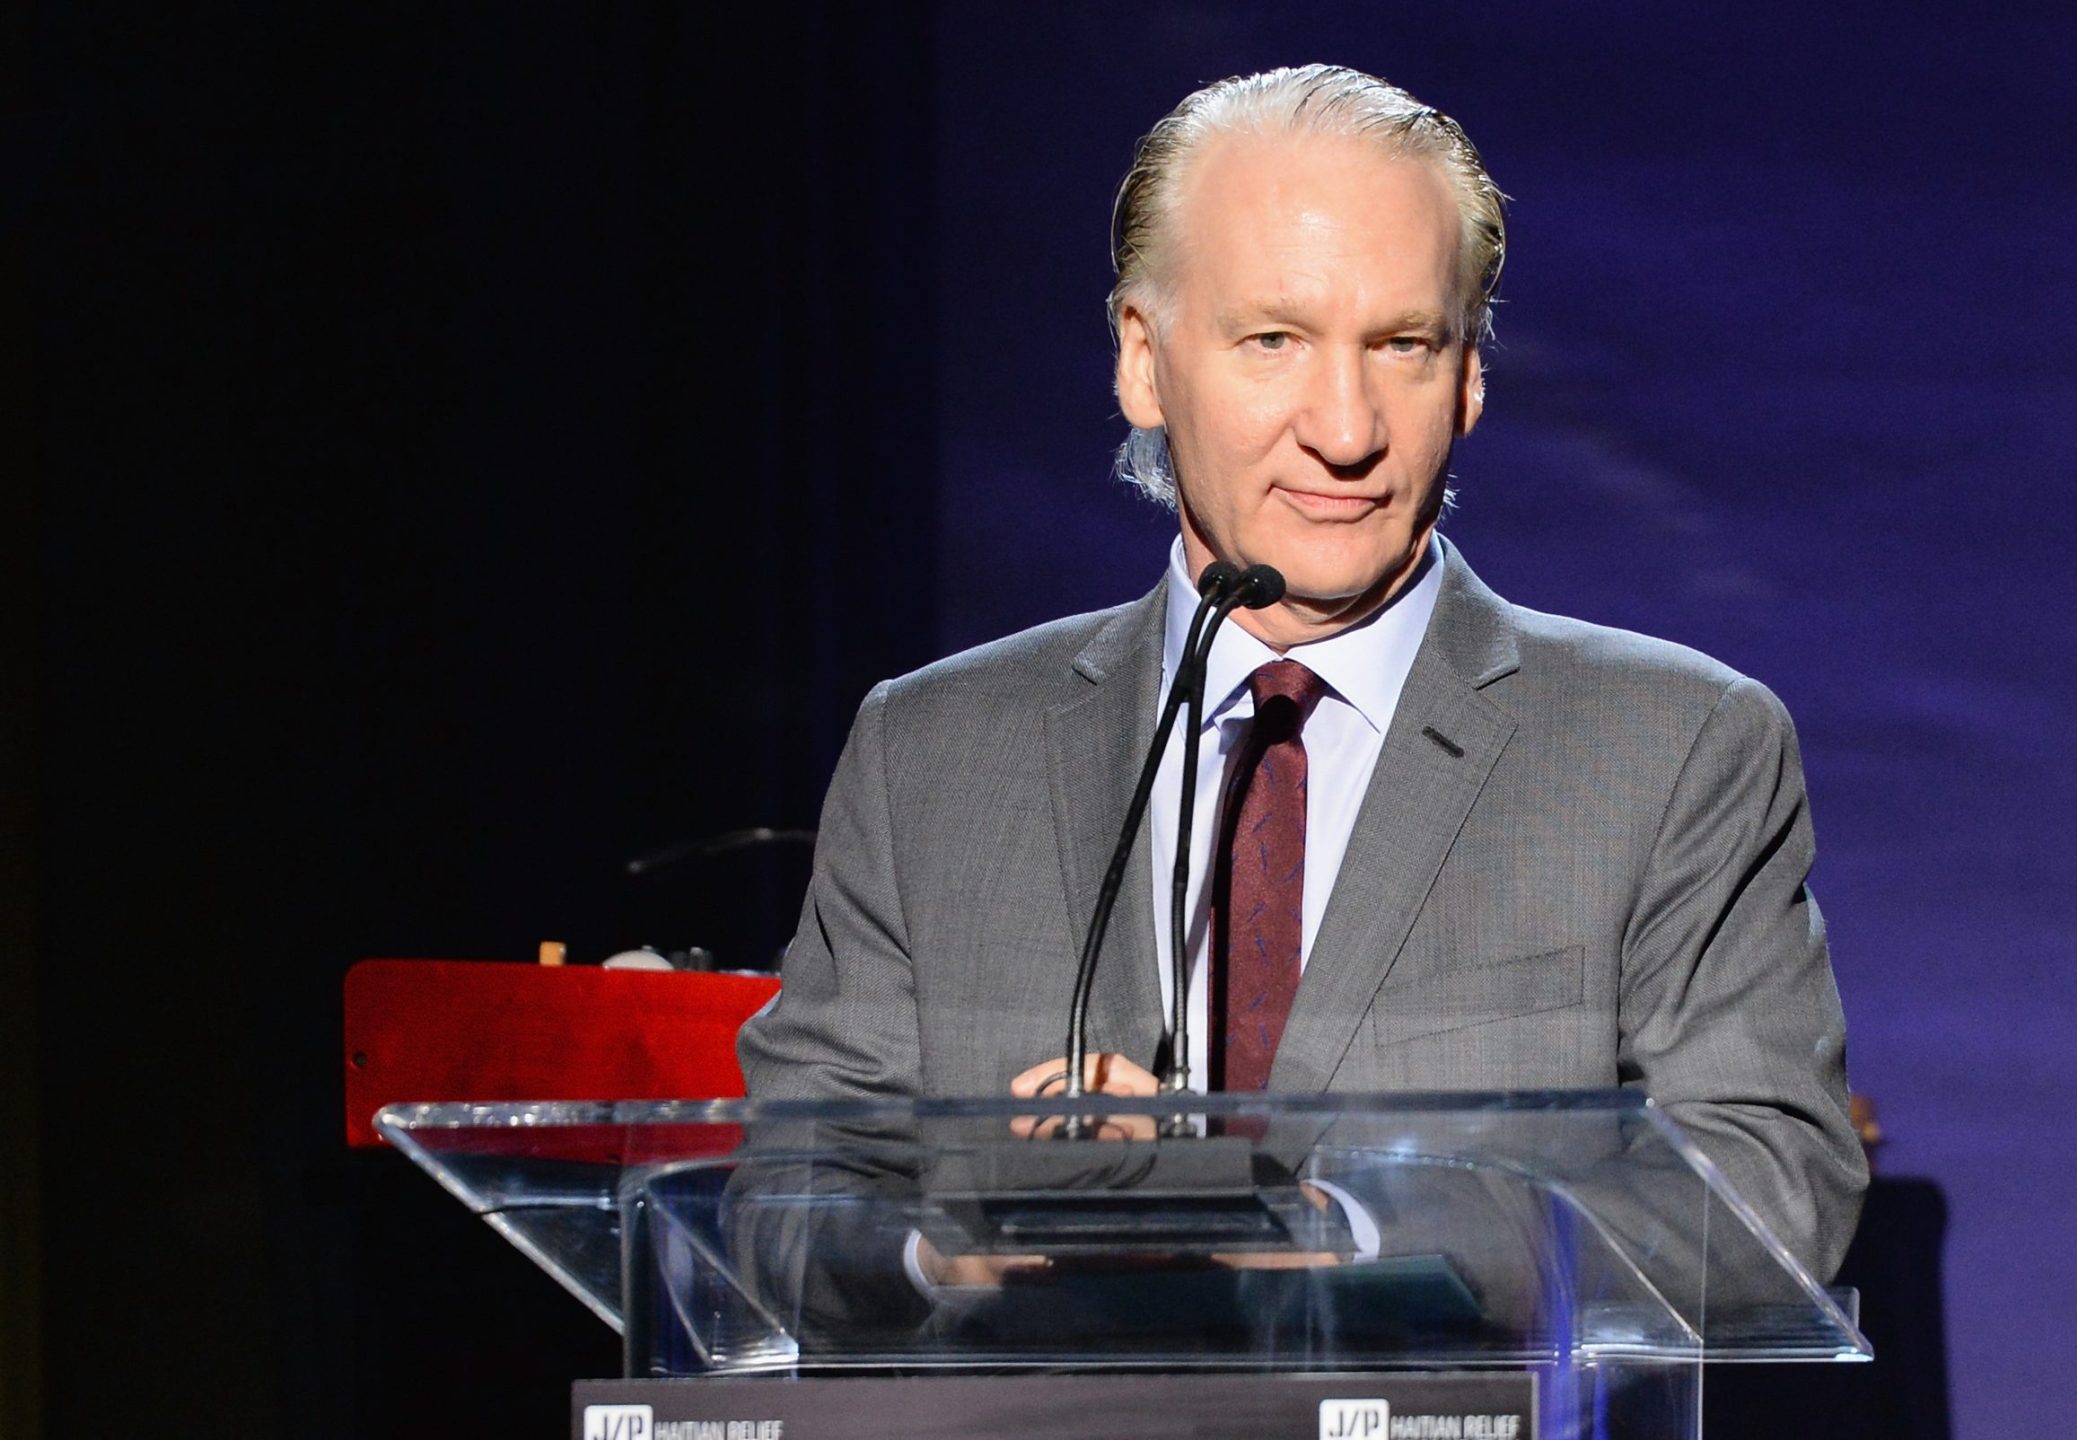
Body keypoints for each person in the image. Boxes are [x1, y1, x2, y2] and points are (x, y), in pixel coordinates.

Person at [737, 63, 1866, 1281]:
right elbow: (787, 1205)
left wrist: (1342, 1233)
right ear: (1139, 359)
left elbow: (1765, 1194)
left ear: (1472, 376)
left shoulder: (1673, 750)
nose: (1345, 428)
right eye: (1272, 339)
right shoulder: (933, 756)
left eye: (1402, 345)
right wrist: (956, 1245)